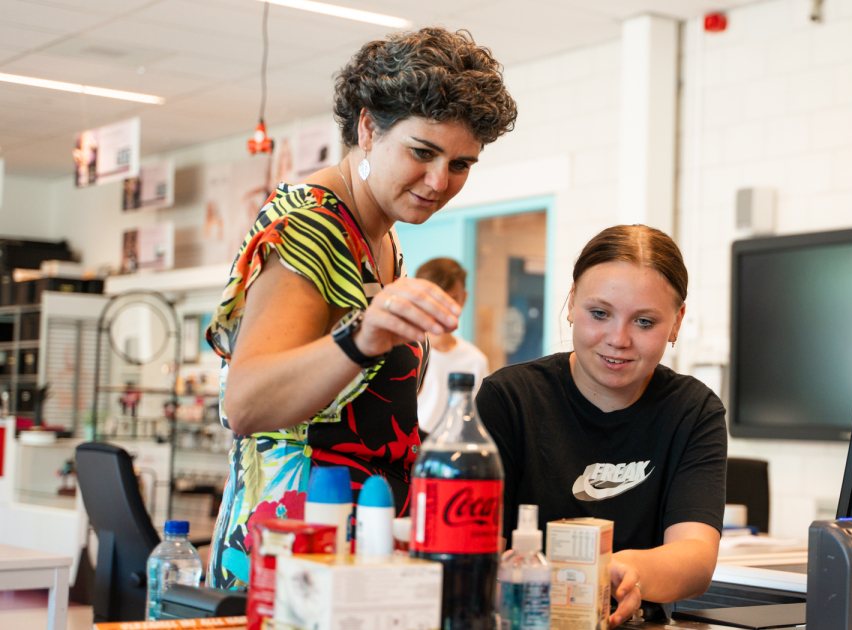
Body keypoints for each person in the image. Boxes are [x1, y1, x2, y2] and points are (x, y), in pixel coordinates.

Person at [203, 27, 517, 590]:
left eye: (461, 164)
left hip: (358, 545)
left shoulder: (385, 240)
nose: (439, 181)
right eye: (422, 153)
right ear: (368, 128)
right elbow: (245, 403)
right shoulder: (312, 224)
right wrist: (360, 338)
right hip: (293, 556)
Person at [476, 224, 727, 626]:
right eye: (600, 314)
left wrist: (627, 571)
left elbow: (696, 557)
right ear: (572, 303)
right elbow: (477, 553)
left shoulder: (693, 410)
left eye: (644, 322)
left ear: (676, 322)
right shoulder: (509, 399)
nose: (618, 339)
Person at [414, 257, 489, 434]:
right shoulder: (408, 352)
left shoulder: (475, 360)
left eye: (453, 298)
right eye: (435, 299)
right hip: (410, 452)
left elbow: (478, 418)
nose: (443, 307)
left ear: (464, 298)